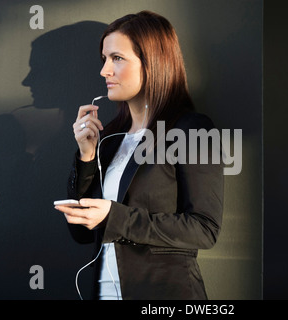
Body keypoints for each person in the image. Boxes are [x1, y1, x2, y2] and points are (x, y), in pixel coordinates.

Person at [54, 10, 224, 300]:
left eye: (117, 58)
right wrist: (85, 156)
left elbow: (204, 229)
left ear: (152, 63)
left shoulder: (190, 129)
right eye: (104, 59)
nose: (104, 71)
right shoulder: (108, 139)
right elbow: (82, 234)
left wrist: (114, 216)